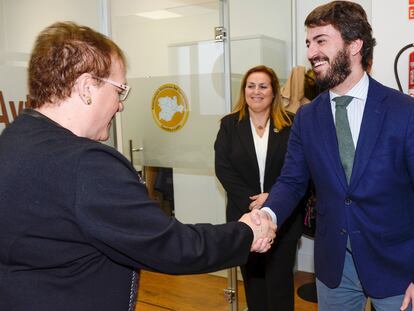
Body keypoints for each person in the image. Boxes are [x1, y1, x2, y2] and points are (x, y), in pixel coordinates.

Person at [0, 22, 276, 311]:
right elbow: (171, 246)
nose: (120, 105)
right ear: (86, 88)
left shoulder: (14, 140)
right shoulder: (86, 165)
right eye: (120, 90)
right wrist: (246, 233)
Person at [259, 1, 414, 310]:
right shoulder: (306, 117)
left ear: (354, 45)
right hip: (334, 267)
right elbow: (291, 181)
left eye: (321, 41)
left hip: (398, 268)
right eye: (308, 43)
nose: (311, 53)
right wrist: (267, 215)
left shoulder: (404, 112)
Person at [214, 65, 303, 311]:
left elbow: (299, 169)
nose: (256, 91)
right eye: (251, 86)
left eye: (263, 86)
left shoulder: (292, 124)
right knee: (253, 284)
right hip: (245, 218)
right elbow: (223, 169)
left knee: (280, 284)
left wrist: (273, 198)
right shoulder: (229, 125)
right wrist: (252, 201)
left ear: (274, 92)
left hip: (283, 219)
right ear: (244, 91)